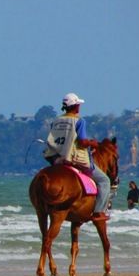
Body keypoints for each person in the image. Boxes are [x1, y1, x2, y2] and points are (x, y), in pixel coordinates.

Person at [43, 92, 112, 222]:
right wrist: (93, 143)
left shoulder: (56, 121)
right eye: (78, 104)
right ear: (76, 106)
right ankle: (98, 212)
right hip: (74, 159)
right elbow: (82, 142)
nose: (79, 106)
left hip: (57, 159)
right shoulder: (79, 121)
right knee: (104, 181)